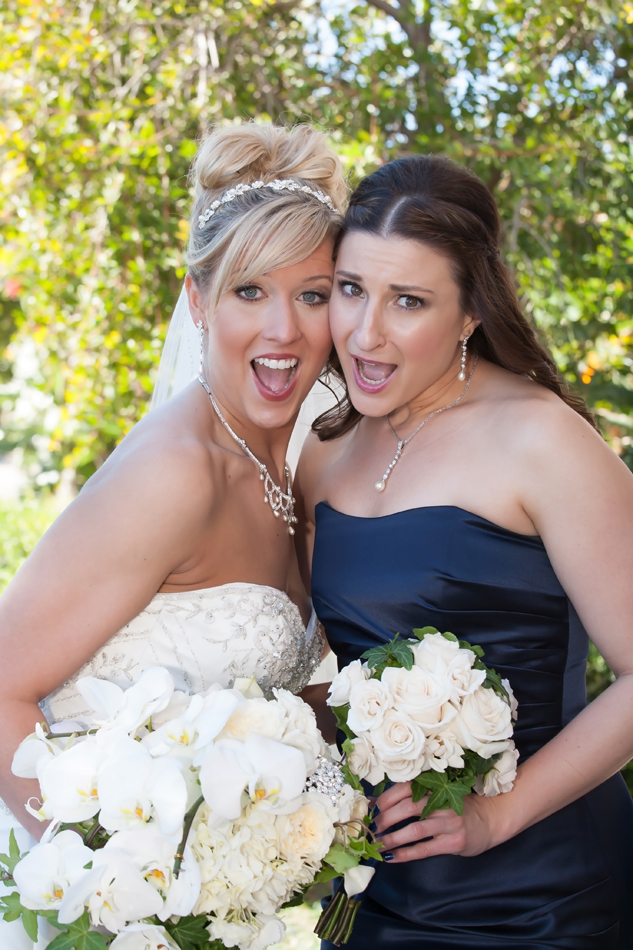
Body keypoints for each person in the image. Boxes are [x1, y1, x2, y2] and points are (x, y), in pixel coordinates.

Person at [0, 121, 345, 948]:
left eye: (312, 294)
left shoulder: (296, 469)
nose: (283, 329)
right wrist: (113, 898)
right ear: (197, 301)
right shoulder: (177, 472)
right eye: (249, 291)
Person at [296, 154, 633, 948]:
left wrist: (493, 816)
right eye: (350, 289)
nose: (365, 333)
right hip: (378, 885)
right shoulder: (323, 451)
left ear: (471, 312)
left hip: (544, 895)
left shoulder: (542, 440)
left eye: (408, 301)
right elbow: (327, 666)